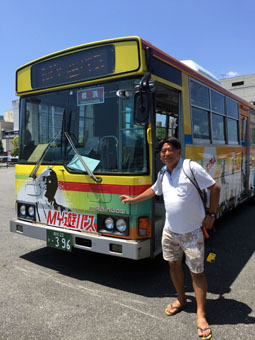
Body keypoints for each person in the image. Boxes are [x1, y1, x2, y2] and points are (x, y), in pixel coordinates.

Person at [120, 137, 220, 340]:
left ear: (178, 151)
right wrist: (134, 199)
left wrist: (211, 215)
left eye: (169, 150)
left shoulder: (190, 167)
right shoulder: (163, 172)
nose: (165, 154)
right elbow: (154, 190)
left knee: (196, 273)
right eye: (162, 151)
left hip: (192, 232)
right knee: (173, 266)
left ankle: (201, 315)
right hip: (170, 231)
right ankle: (182, 300)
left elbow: (215, 188)